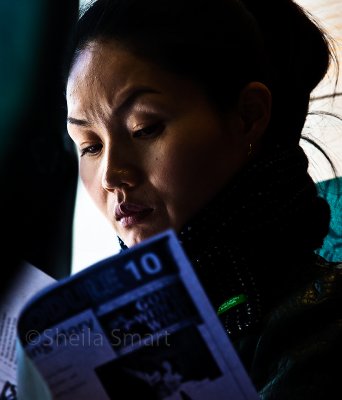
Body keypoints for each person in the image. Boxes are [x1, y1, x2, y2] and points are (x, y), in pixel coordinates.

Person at [65, 0, 342, 398]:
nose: (110, 176)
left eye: (145, 128)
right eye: (89, 145)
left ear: (247, 115)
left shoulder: (325, 323)